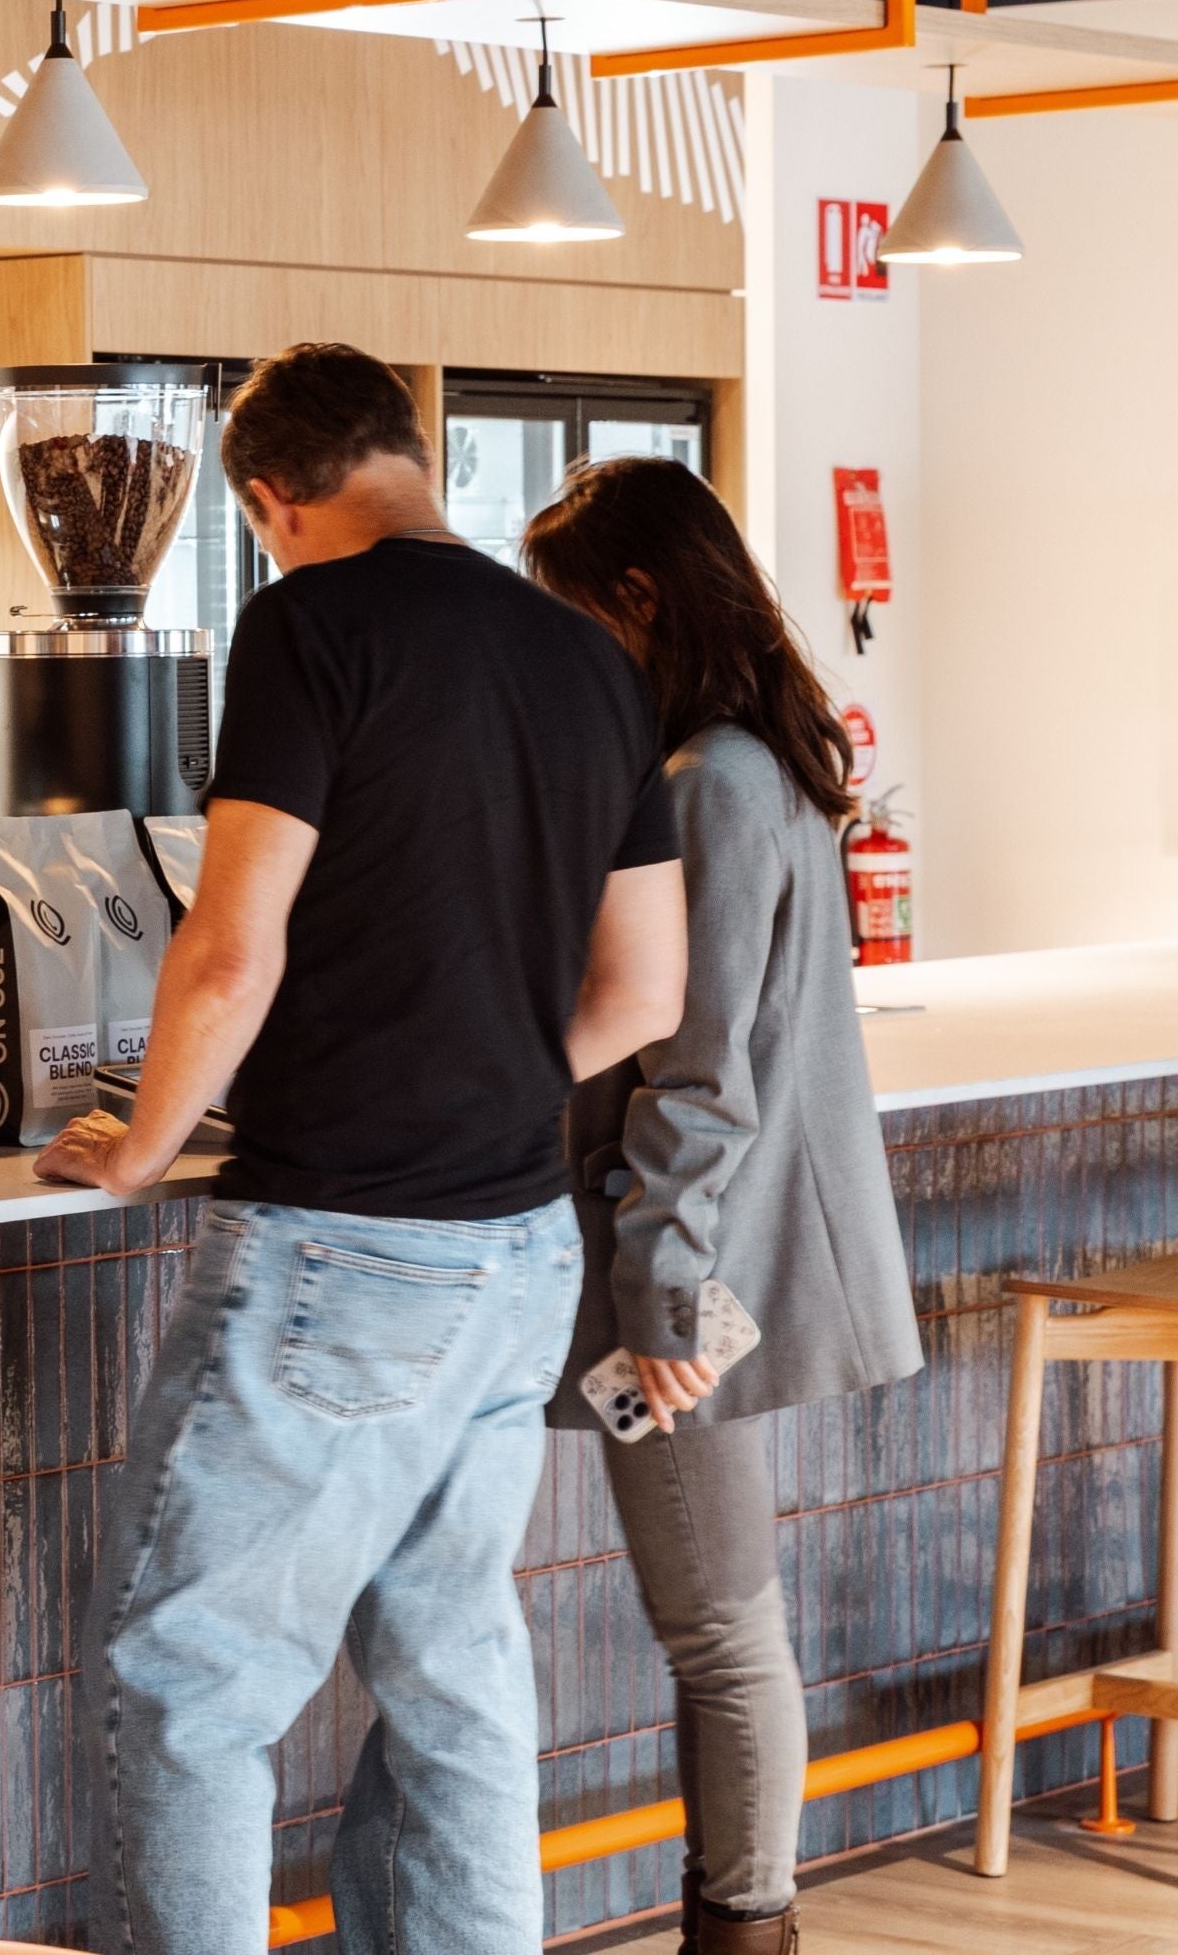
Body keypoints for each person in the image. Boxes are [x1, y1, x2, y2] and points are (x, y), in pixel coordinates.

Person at [35, 343, 691, 1953]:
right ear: (412, 452)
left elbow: (228, 947)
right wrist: (472, 1076)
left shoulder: (312, 623)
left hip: (338, 1249)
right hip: (521, 1249)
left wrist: (140, 1147)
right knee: (453, 1674)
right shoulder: (586, 656)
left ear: (272, 501)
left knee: (186, 1684)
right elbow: (648, 989)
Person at [522, 459, 922, 1955]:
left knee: (720, 1631)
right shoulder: (752, 765)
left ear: (635, 600)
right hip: (716, 1262)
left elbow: (700, 1080)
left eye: (569, 615)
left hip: (698, 1279)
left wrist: (659, 1295)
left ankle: (744, 1933)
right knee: (726, 1626)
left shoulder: (711, 786)